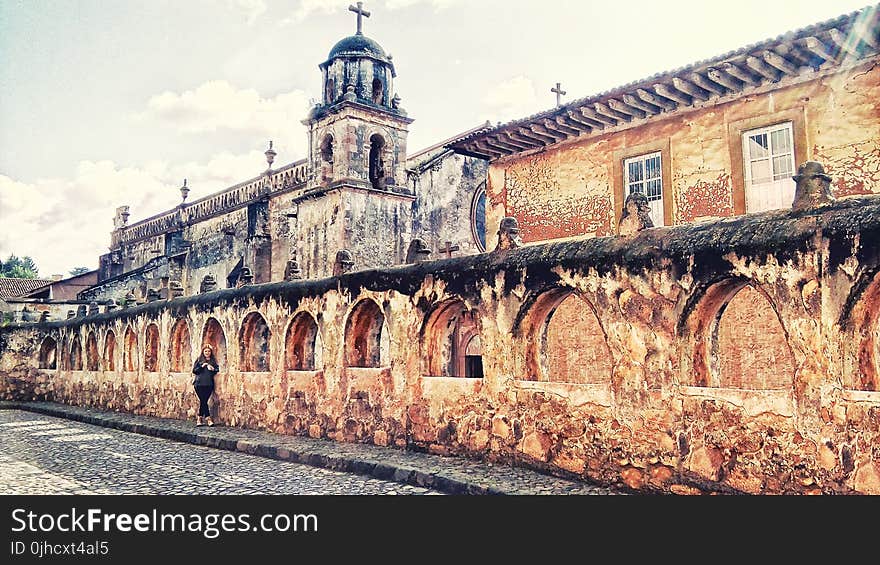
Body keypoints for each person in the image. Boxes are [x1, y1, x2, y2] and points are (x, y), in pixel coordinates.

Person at [192, 344, 219, 427]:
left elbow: (217, 369)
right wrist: (201, 366)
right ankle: (208, 418)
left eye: (209, 351)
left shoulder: (213, 361)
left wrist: (213, 369)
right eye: (206, 351)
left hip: (209, 384)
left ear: (211, 352)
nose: (207, 353)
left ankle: (199, 418)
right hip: (199, 384)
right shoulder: (199, 360)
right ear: (203, 352)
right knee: (203, 401)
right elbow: (194, 371)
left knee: (203, 401)